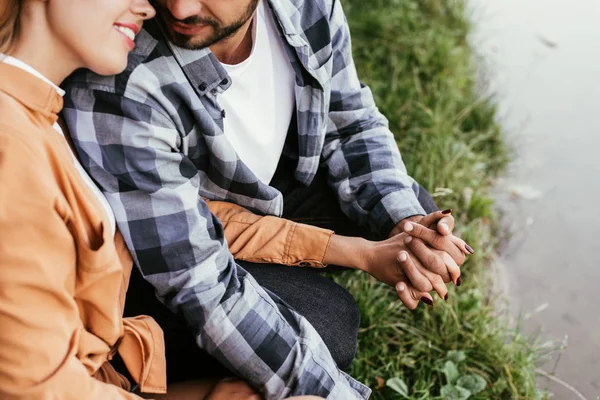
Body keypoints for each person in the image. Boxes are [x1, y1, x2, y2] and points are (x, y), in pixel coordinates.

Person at [62, 0, 474, 396]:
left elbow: (349, 124)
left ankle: (302, 275)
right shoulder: (125, 82)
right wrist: (328, 392)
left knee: (405, 203)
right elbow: (199, 283)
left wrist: (408, 228)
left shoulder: (306, 6)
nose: (179, 8)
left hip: (256, 194)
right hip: (164, 258)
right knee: (329, 323)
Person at [0, 1, 325, 399]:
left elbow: (185, 216)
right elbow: (38, 388)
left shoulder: (47, 109)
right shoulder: (12, 150)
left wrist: (351, 251)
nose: (147, 7)